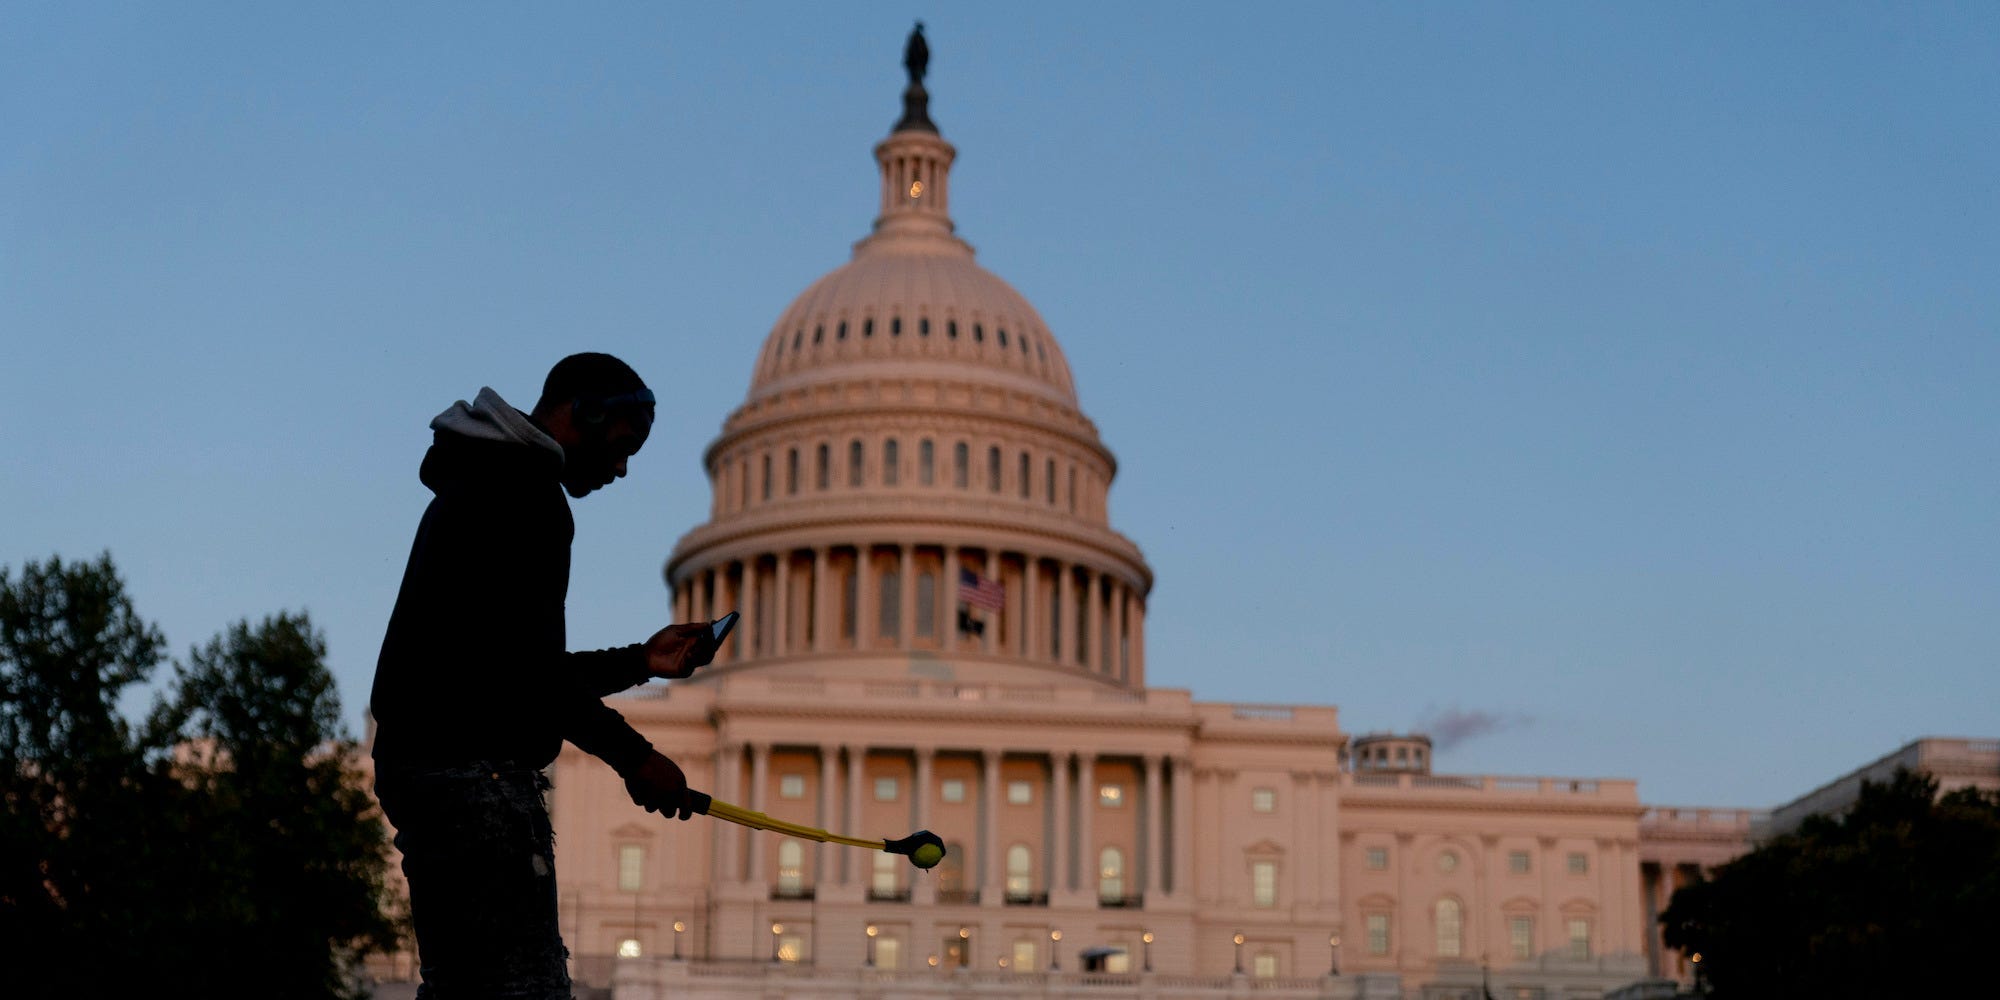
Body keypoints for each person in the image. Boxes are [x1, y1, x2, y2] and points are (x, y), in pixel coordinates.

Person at [370, 352, 715, 999]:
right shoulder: (527, 494)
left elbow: (510, 666)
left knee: (464, 985)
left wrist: (642, 660)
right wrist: (637, 758)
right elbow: (531, 676)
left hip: (430, 767)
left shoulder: (485, 480)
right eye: (623, 445)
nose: (622, 468)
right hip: (476, 779)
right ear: (581, 412)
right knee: (523, 986)